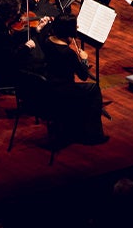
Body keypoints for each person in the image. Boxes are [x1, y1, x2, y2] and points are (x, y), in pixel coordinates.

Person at [40, 13, 108, 145]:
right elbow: (83, 76)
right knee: (93, 89)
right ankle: (94, 135)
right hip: (63, 91)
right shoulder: (67, 53)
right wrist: (84, 60)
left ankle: (75, 127)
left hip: (48, 86)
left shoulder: (47, 41)